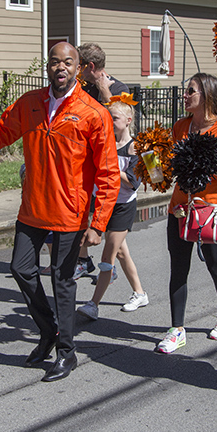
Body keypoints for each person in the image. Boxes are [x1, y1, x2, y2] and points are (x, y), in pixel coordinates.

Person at [0, 42, 120, 382]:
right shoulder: (30, 103)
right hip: (32, 208)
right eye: (54, 62)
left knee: (63, 284)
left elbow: (107, 173)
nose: (60, 67)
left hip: (70, 213)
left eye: (68, 62)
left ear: (79, 68)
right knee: (20, 268)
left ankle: (66, 352)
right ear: (47, 67)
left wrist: (98, 223)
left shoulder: (93, 113)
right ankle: (48, 331)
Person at [156, 73, 217, 354]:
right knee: (178, 270)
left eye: (190, 91)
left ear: (207, 95)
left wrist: (204, 158)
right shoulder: (181, 126)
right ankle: (176, 329)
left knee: (216, 265)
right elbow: (166, 166)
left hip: (209, 209)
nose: (185, 95)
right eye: (186, 90)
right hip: (179, 208)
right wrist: (150, 160)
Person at [77, 97, 148, 320]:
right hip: (103, 203)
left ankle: (93, 304)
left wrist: (110, 169)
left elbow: (134, 181)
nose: (109, 121)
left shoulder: (137, 147)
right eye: (107, 117)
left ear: (128, 120)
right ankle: (140, 293)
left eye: (114, 118)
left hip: (123, 207)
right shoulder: (105, 142)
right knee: (120, 252)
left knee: (108, 253)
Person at [74, 42, 131, 280]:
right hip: (83, 158)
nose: (76, 71)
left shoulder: (119, 87)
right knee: (79, 210)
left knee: (106, 221)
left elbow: (118, 123)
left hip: (107, 161)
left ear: (90, 66)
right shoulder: (82, 86)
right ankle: (84, 260)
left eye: (79, 66)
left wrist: (106, 92)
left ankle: (109, 264)